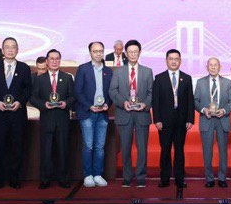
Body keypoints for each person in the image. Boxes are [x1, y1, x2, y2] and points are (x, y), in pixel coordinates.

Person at [0, 37, 32, 189]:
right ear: (3, 50)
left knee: (17, 147)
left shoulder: (24, 68)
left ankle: (15, 179)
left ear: (17, 49)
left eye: (13, 47)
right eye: (7, 47)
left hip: (17, 114)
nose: (10, 50)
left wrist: (20, 102)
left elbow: (28, 90)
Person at [109, 39, 153, 187]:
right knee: (125, 148)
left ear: (139, 53)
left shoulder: (147, 71)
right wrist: (123, 103)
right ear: (126, 54)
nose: (133, 54)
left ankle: (141, 177)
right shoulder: (118, 71)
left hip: (142, 114)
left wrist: (145, 104)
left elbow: (151, 92)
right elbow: (112, 91)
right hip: (124, 113)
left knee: (142, 148)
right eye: (130, 52)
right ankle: (127, 177)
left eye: (135, 52)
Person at [31, 50, 75, 189]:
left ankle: (63, 179)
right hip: (47, 119)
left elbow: (73, 97)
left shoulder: (67, 78)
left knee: (63, 151)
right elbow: (33, 98)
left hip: (62, 120)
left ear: (60, 61)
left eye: (57, 59)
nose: (55, 61)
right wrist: (43, 104)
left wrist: (66, 103)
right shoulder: (39, 79)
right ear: (47, 61)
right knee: (46, 151)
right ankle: (45, 179)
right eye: (52, 59)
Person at [152, 49, 194, 188]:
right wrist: (157, 119)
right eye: (171, 59)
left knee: (179, 150)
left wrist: (190, 119)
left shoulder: (186, 78)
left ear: (180, 61)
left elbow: (190, 100)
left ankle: (179, 178)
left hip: (181, 120)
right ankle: (164, 179)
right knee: (165, 150)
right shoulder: (159, 78)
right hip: (164, 121)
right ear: (166, 61)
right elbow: (155, 101)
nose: (174, 61)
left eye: (176, 59)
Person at [74, 42, 113, 188]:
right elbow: (78, 91)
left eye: (101, 51)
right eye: (95, 51)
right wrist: (89, 106)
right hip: (87, 113)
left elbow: (111, 92)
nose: (98, 54)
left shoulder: (108, 71)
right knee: (88, 146)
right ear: (90, 53)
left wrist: (107, 104)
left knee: (100, 147)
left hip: (102, 114)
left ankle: (98, 174)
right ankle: (88, 175)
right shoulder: (83, 69)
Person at [194, 58, 231, 188]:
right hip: (206, 119)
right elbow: (195, 101)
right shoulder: (200, 82)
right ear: (207, 67)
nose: (213, 67)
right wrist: (203, 110)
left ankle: (222, 178)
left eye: (215, 65)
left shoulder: (227, 83)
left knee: (223, 150)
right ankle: (209, 178)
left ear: (220, 67)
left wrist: (224, 110)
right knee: (207, 151)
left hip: (222, 119)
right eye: (211, 65)